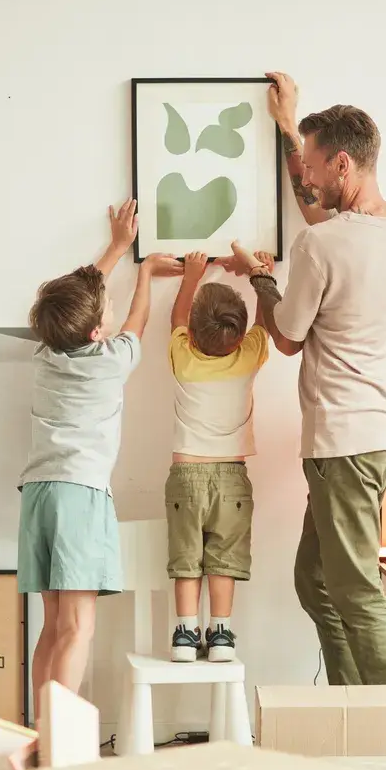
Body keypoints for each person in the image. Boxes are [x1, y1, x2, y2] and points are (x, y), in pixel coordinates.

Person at [221, 73, 386, 685]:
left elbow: (286, 337)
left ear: (343, 163)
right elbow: (322, 220)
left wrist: (258, 277)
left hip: (343, 440)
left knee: (356, 589)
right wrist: (289, 128)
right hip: (377, 433)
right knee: (315, 581)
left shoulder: (321, 248)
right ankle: (349, 705)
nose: (305, 178)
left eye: (313, 166)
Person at [17, 199, 180, 724]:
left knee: (52, 626)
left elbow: (83, 299)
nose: (108, 310)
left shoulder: (44, 356)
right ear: (94, 333)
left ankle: (39, 733)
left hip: (38, 495)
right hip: (80, 496)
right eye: (101, 311)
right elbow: (138, 320)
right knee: (78, 628)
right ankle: (57, 738)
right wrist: (147, 274)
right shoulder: (112, 362)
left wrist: (116, 248)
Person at [163, 247, 274, 663]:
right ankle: (222, 634)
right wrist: (261, 275)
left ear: (193, 333)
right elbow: (265, 324)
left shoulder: (183, 358)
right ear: (239, 333)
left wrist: (191, 277)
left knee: (186, 557)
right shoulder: (248, 357)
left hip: (186, 474)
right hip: (232, 478)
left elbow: (176, 319)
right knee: (224, 558)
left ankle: (186, 633)